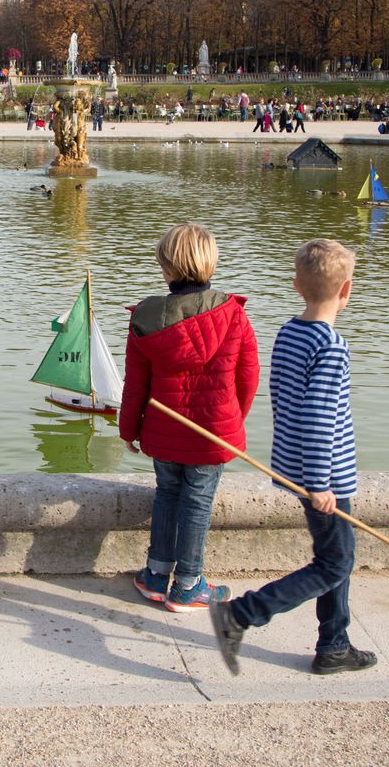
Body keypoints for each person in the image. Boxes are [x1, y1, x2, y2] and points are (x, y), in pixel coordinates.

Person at [208, 238, 375, 677]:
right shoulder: (330, 346)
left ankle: (334, 645)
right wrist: (322, 483)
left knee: (332, 558)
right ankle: (242, 613)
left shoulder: (289, 332)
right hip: (325, 474)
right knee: (336, 561)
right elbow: (319, 419)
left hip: (297, 463)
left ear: (297, 285)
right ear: (347, 290)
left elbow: (285, 402)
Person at [119, 224, 259, 612]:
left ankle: (155, 574)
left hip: (163, 431)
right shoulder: (232, 313)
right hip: (213, 431)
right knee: (197, 503)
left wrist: (128, 429)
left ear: (165, 269)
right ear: (211, 262)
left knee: (167, 495)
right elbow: (247, 377)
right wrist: (233, 421)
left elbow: (135, 385)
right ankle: (188, 585)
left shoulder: (145, 318)